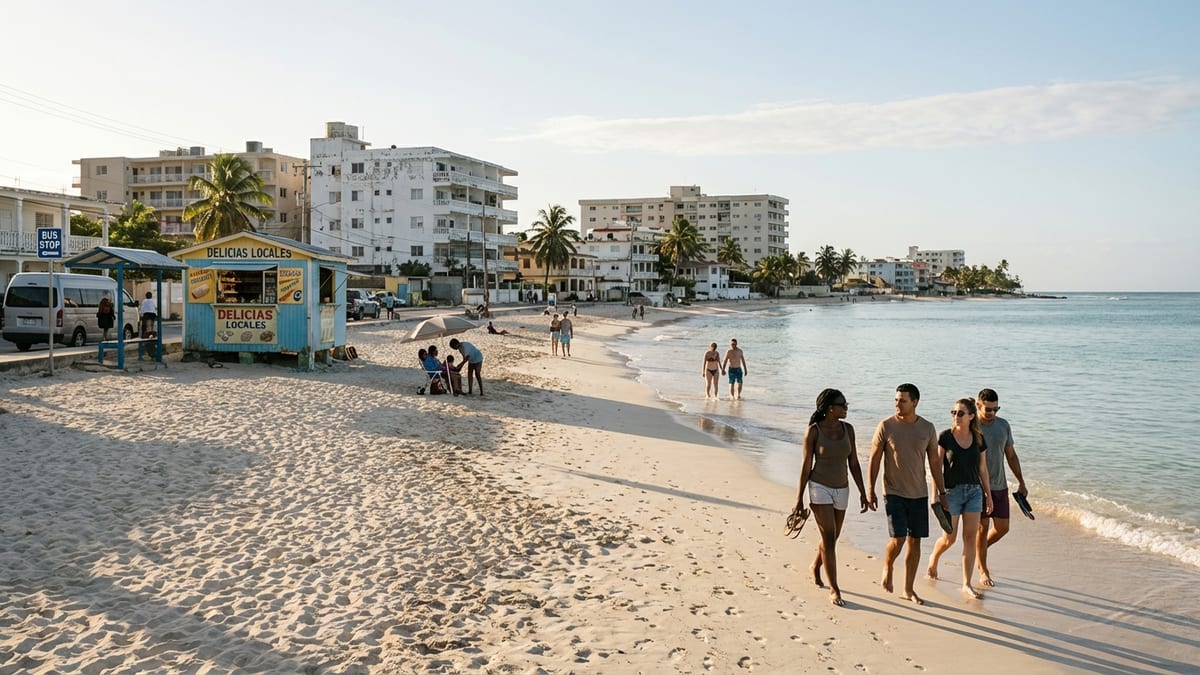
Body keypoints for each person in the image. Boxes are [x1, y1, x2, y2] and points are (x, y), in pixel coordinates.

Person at [867, 383, 947, 606]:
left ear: (915, 402)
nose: (897, 404)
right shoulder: (886, 425)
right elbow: (874, 459)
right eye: (896, 400)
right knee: (898, 538)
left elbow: (934, 463)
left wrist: (942, 492)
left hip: (919, 493)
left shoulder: (928, 428)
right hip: (893, 491)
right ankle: (888, 565)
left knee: (915, 541)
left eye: (902, 400)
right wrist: (870, 489)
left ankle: (908, 589)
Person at [793, 389, 871, 606]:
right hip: (819, 487)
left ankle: (815, 566)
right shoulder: (814, 432)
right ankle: (835, 589)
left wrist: (863, 492)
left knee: (833, 537)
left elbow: (853, 463)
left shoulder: (849, 429)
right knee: (828, 536)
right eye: (842, 404)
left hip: (842, 488)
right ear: (830, 408)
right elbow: (806, 465)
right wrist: (799, 498)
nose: (846, 407)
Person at [926, 398, 992, 599]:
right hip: (951, 493)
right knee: (950, 538)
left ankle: (966, 584)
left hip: (974, 492)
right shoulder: (945, 437)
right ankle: (934, 559)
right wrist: (935, 495)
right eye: (953, 412)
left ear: (971, 416)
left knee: (970, 539)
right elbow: (936, 466)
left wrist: (988, 495)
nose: (956, 416)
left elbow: (983, 468)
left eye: (960, 413)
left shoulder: (979, 438)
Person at [975, 388, 1028, 587]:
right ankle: (983, 570)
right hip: (977, 486)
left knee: (1003, 528)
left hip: (999, 485)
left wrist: (1021, 481)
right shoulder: (972, 425)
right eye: (988, 409)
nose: (992, 413)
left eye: (995, 409)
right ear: (979, 405)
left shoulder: (1003, 425)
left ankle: (978, 551)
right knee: (983, 528)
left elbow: (1011, 455)